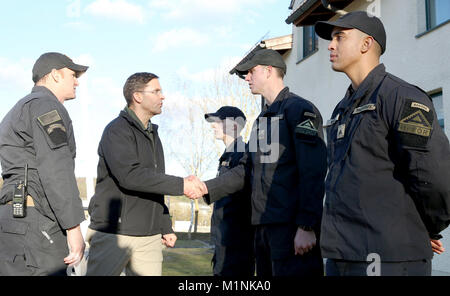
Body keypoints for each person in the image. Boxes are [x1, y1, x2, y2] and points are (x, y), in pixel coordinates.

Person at [314, 11, 450, 276]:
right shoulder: (342, 109)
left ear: (366, 44)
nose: (330, 45)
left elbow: (435, 177)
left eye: (339, 37)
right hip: (343, 256)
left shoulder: (402, 98)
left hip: (388, 260)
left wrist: (427, 227)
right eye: (331, 39)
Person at [187, 49, 328, 276]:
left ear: (269, 71)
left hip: (291, 229)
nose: (247, 78)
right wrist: (206, 187)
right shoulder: (261, 122)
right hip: (263, 230)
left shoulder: (300, 110)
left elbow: (313, 170)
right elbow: (245, 169)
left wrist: (307, 226)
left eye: (252, 72)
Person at [86, 72, 204, 276]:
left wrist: (165, 225)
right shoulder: (116, 131)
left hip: (149, 237)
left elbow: (155, 184)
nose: (162, 96)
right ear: (138, 96)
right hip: (114, 234)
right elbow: (130, 175)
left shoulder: (153, 135)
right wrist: (182, 185)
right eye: (156, 91)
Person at [0, 52, 89, 276]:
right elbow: (56, 169)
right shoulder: (46, 107)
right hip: (38, 224)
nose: (77, 81)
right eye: (73, 74)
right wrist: (73, 226)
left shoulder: (18, 109)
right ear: (55, 75)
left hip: (13, 221)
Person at [204, 106, 255, 276]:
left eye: (218, 122)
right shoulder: (229, 155)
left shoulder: (242, 153)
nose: (213, 126)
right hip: (226, 240)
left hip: (236, 242)